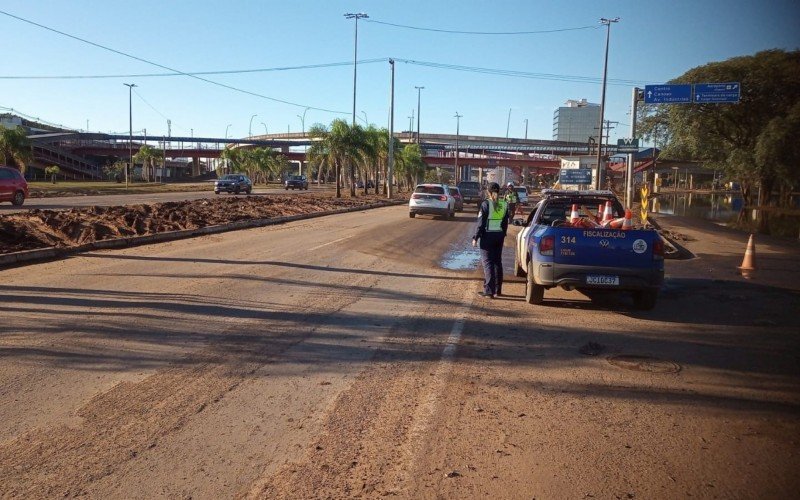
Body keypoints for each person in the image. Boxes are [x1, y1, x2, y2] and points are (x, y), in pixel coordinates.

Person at [472, 182, 508, 298]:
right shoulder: (504, 204)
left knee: (488, 263)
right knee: (497, 262)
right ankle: (498, 290)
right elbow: (505, 223)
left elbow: (481, 223)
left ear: (488, 191)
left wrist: (476, 237)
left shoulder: (486, 204)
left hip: (487, 236)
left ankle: (489, 291)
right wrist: (503, 234)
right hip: (499, 236)